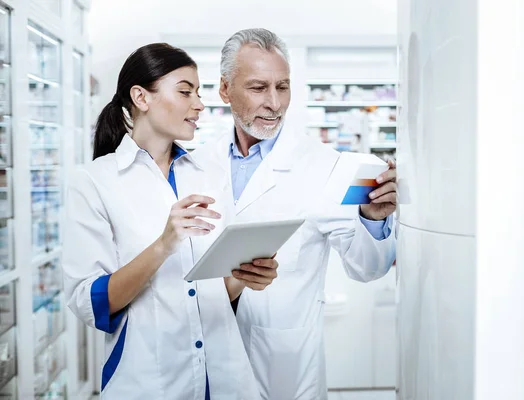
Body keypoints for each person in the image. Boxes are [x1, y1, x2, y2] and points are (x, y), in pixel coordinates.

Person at [62, 43, 278, 400]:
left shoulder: (209, 175)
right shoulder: (95, 181)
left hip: (224, 376)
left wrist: (243, 278)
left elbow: (211, 292)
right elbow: (90, 301)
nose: (199, 104)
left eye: (199, 92)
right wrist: (164, 244)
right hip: (149, 379)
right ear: (141, 97)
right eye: (185, 91)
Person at [192, 29, 397, 399]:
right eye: (258, 88)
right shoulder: (195, 164)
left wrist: (373, 217)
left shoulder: (326, 165)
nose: (274, 103)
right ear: (225, 90)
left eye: (282, 87)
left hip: (284, 365)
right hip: (202, 356)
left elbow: (368, 268)